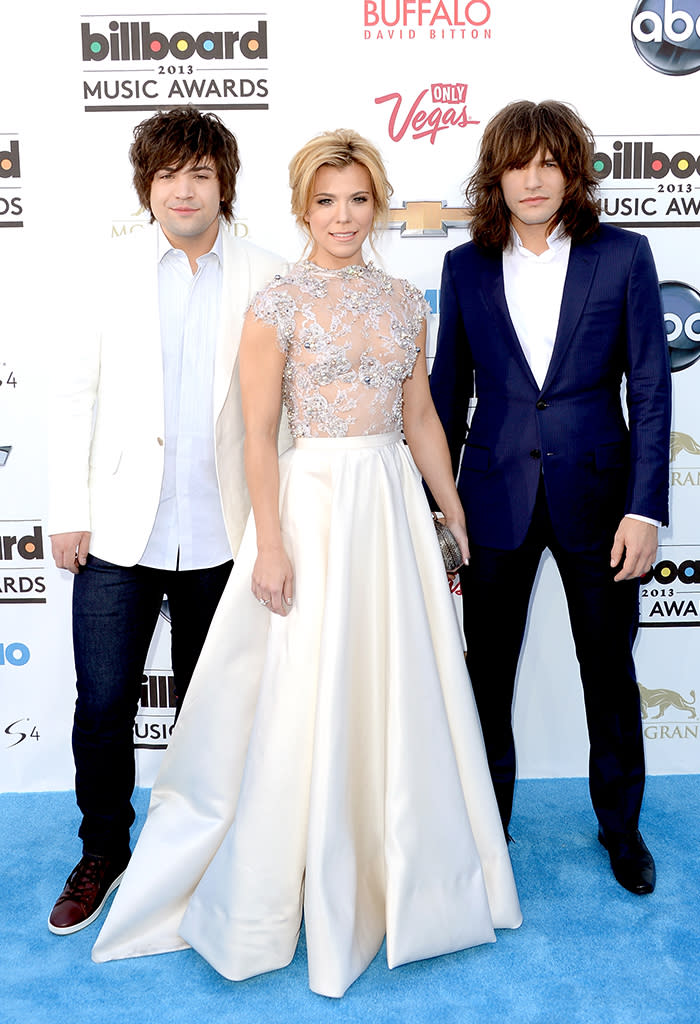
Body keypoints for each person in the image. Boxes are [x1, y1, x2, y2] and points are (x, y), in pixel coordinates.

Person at [91, 129, 522, 997]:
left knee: (397, 682)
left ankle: (398, 867)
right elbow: (257, 435)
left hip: (390, 506)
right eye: (326, 201)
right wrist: (274, 543)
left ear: (377, 205)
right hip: (314, 505)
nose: (343, 216)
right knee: (305, 688)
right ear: (301, 208)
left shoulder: (406, 299)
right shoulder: (277, 303)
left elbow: (425, 421)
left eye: (359, 199)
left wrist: (450, 504)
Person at [47, 106, 287, 935]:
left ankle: (204, 852)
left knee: (213, 705)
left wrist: (276, 529)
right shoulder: (107, 270)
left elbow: (281, 418)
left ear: (225, 184)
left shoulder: (267, 273)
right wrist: (69, 511)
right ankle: (104, 850)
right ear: (146, 187)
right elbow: (74, 394)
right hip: (120, 531)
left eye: (201, 175)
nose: (183, 191)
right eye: (167, 176)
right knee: (104, 702)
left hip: (226, 532)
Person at [430, 100, 671, 895]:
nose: (532, 179)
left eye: (548, 163)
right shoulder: (464, 266)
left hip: (601, 504)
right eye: (516, 163)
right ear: (495, 174)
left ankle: (622, 830)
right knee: (484, 676)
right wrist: (440, 506)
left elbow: (652, 388)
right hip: (491, 501)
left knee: (607, 671)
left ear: (573, 171)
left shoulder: (625, 257)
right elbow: (447, 389)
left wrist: (646, 508)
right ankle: (485, 826)